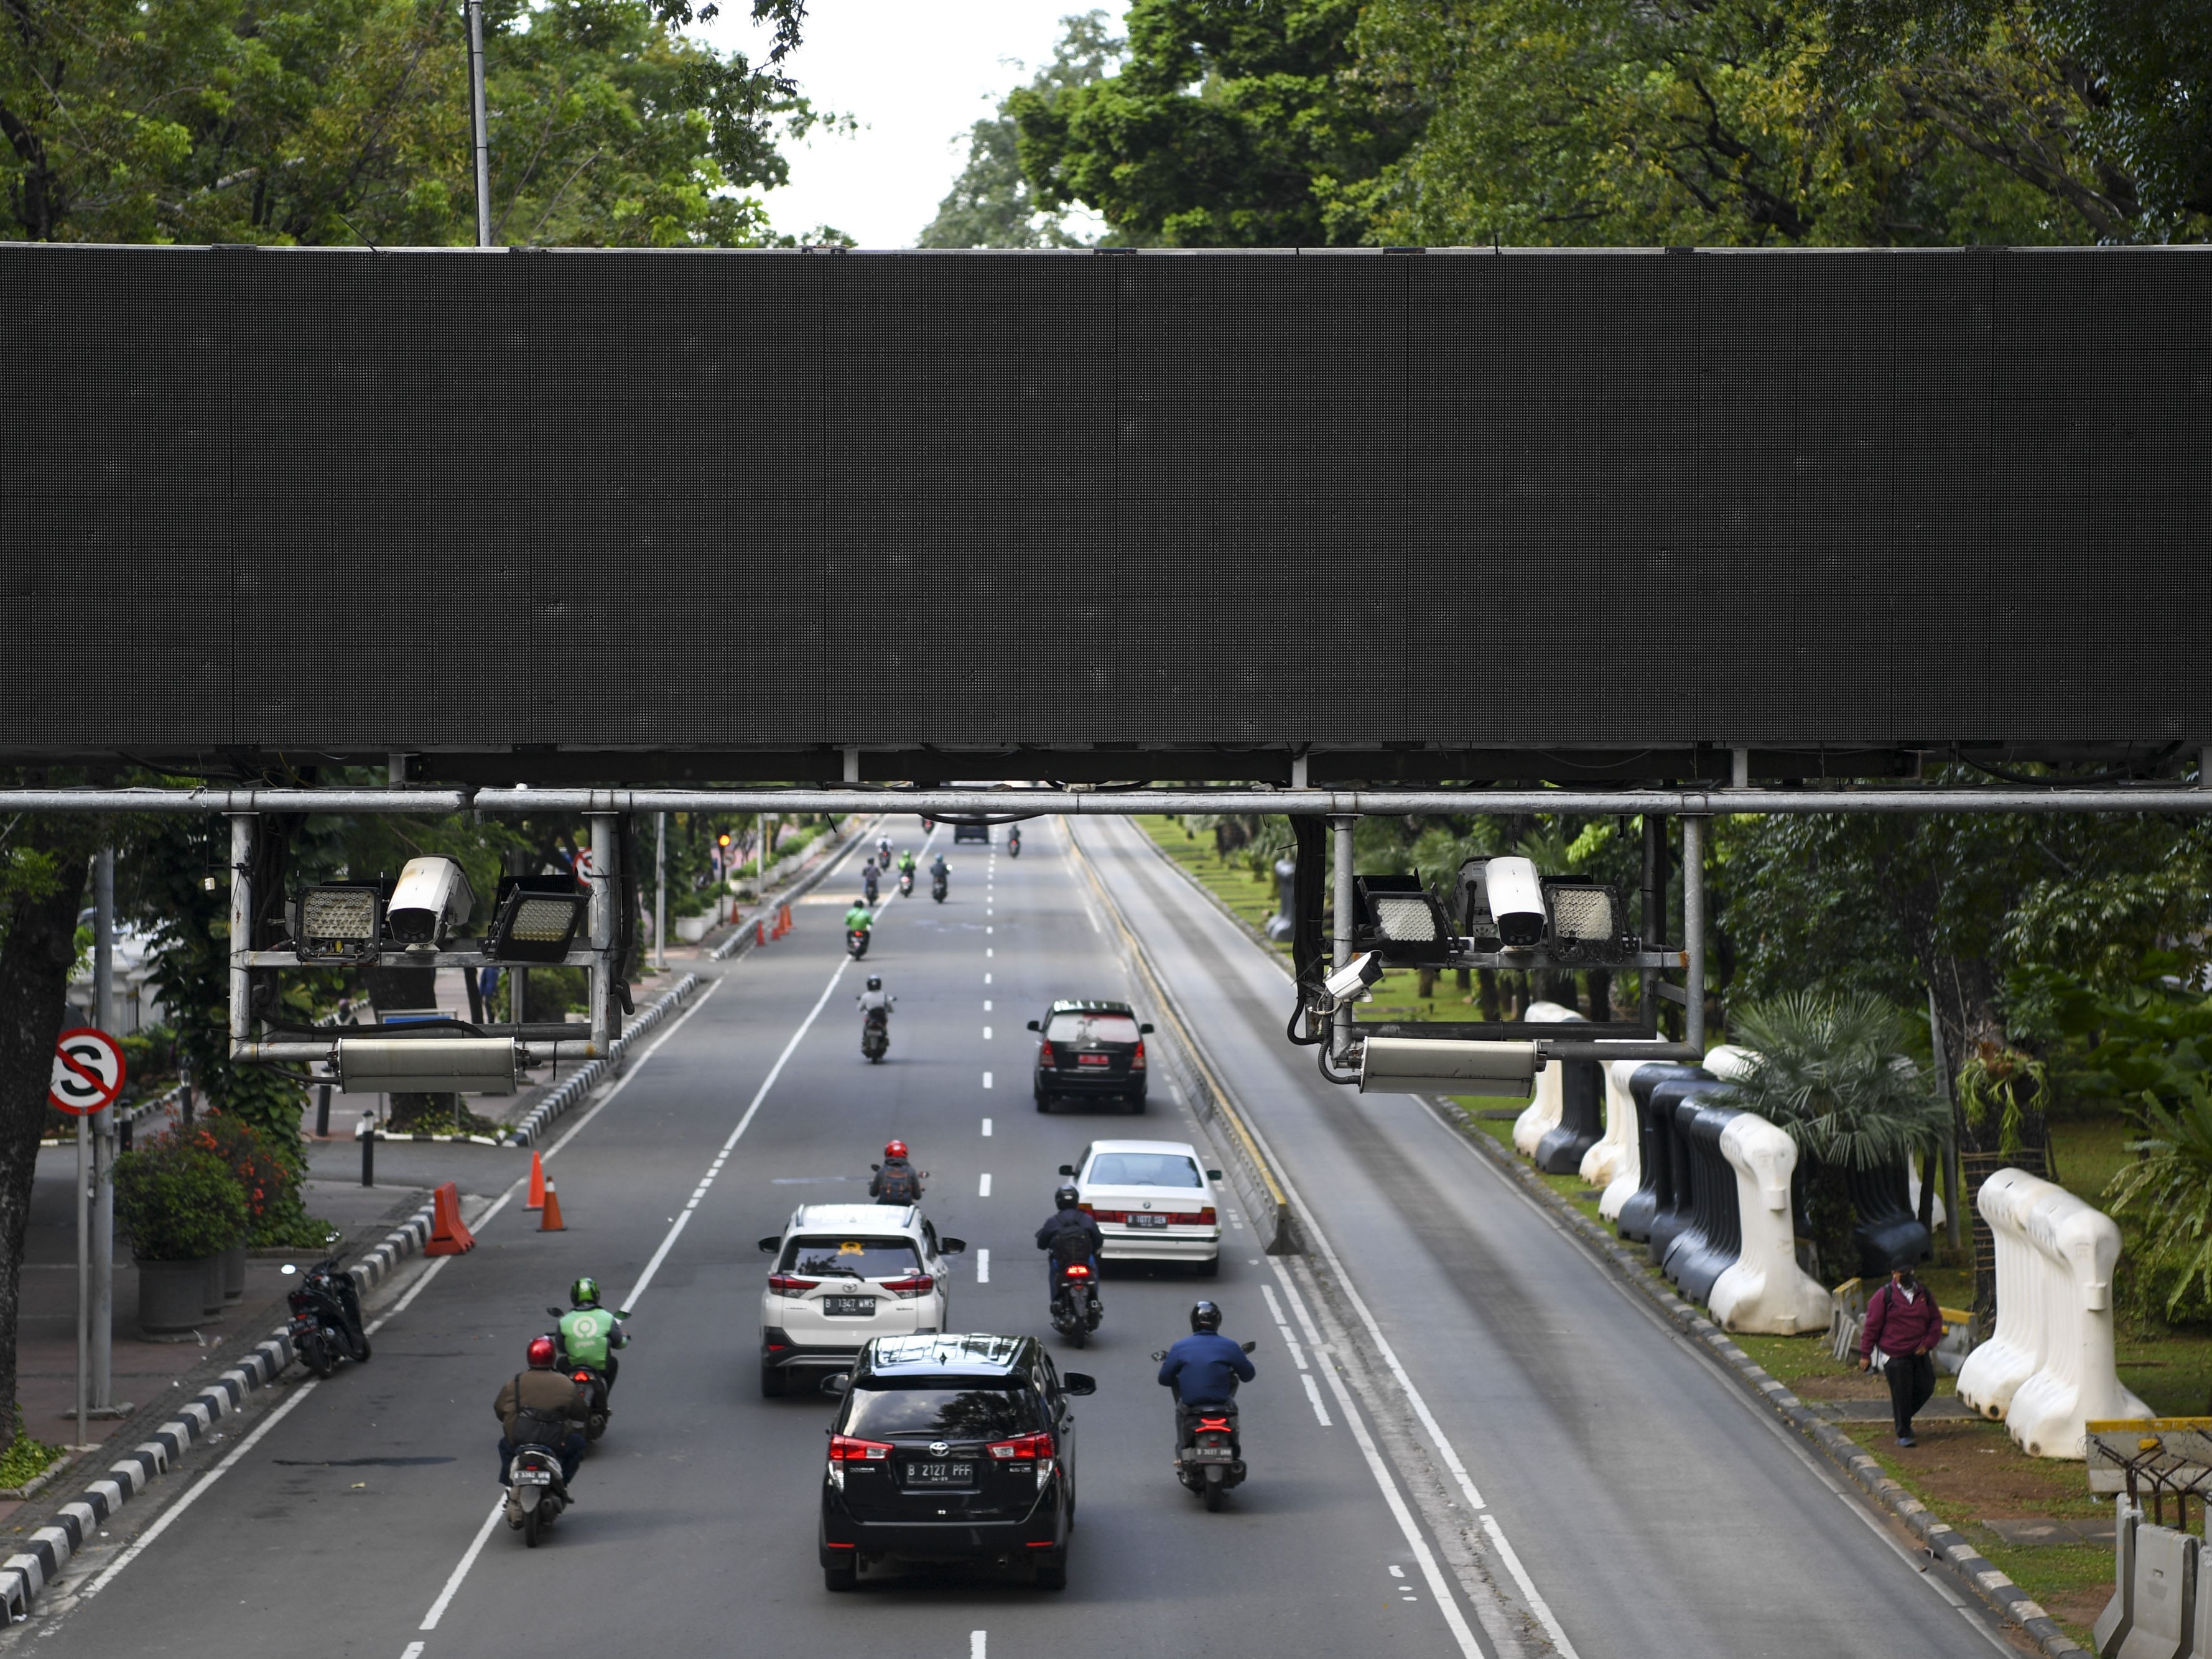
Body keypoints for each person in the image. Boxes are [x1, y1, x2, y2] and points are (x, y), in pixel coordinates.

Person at [1859, 1255, 1945, 1446]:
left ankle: (1903, 1414)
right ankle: (1904, 1432)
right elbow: (1872, 1326)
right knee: (1902, 1393)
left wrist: (1928, 1343)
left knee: (1927, 1386)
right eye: (1903, 1273)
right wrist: (1866, 1354)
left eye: (1910, 1272)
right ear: (1894, 1275)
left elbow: (1935, 1320)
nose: (1907, 1276)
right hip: (1895, 1354)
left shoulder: (1923, 1293)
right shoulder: (1884, 1296)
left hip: (1919, 1351)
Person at [495, 1335, 588, 1506]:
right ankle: (563, 1485)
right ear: (552, 1357)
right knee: (578, 1444)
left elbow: (499, 1410)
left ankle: (509, 1485)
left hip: (520, 1441)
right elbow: (581, 1414)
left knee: (504, 1445)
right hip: (554, 1442)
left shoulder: (515, 1382)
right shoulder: (565, 1383)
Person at [1158, 1301, 1255, 1452]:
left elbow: (1164, 1379)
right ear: (1218, 1322)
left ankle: (1182, 1449)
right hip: (1221, 1403)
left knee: (1180, 1410)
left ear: (1193, 1322)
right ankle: (1235, 1448)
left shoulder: (1180, 1347)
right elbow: (1248, 1375)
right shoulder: (1229, 1346)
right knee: (1233, 1409)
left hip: (1191, 1404)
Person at [557, 1276, 630, 1401]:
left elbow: (560, 1348)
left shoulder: (565, 1320)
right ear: (596, 1296)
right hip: (600, 1368)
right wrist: (624, 1337)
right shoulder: (606, 1317)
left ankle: (564, 1397)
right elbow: (619, 1344)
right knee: (613, 1363)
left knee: (560, 1363)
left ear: (574, 1297)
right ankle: (604, 1398)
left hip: (573, 1367)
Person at [1034, 1184, 1104, 1311]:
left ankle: (1056, 1301)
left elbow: (1041, 1244)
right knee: (1094, 1268)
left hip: (1062, 1263)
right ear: (1076, 1201)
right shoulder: (1087, 1219)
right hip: (1085, 1261)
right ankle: (1094, 1300)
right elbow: (1099, 1241)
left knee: (1054, 1272)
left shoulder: (1053, 1221)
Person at [871, 1138, 922, 1204]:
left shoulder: (882, 1171)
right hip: (906, 1207)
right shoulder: (911, 1171)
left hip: (884, 1207)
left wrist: (873, 1183)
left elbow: (873, 1194)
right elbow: (917, 1196)